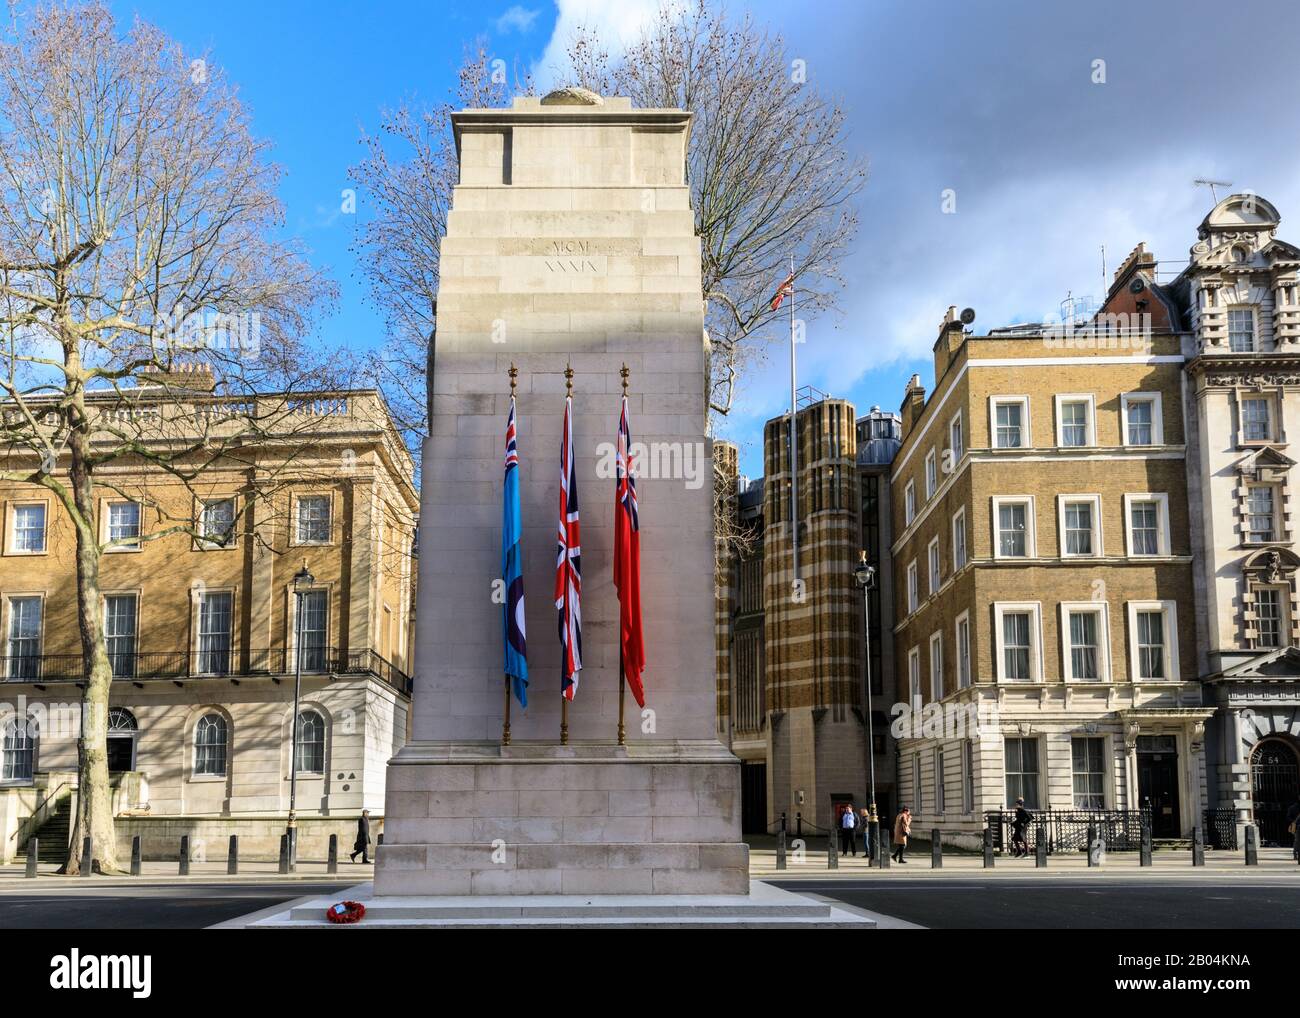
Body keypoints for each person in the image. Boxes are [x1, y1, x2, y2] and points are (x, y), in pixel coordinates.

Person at [1286, 792, 1300, 864]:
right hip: (1297, 826)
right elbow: (1288, 817)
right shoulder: (1293, 807)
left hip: (1296, 825)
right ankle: (1295, 854)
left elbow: (1288, 817)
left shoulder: (1292, 807)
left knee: (1297, 841)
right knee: (1297, 841)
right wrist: (1294, 822)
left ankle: (1295, 854)